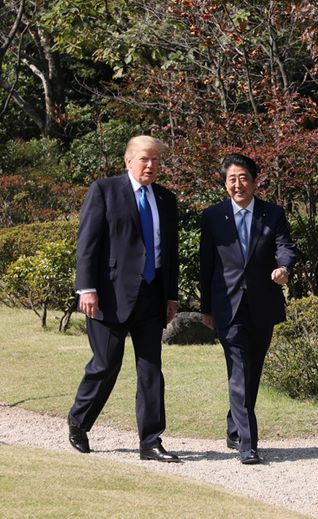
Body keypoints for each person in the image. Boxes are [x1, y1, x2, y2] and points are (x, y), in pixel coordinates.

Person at [68, 135, 180, 462]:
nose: (151, 165)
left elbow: (168, 252)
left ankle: (151, 441)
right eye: (145, 159)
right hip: (109, 296)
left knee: (150, 370)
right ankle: (78, 421)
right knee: (105, 365)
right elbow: (87, 242)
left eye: (156, 160)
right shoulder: (104, 190)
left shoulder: (166, 198)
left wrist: (171, 295)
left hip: (152, 295)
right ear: (128, 160)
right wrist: (86, 288)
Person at [200, 153, 298, 464]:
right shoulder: (213, 216)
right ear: (225, 183)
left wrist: (284, 268)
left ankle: (234, 428)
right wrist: (206, 309)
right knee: (239, 371)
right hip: (227, 306)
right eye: (232, 179)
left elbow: (286, 246)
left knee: (251, 372)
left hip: (263, 304)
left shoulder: (273, 213)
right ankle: (247, 443)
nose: (238, 184)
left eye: (243, 178)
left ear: (254, 181)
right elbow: (206, 266)